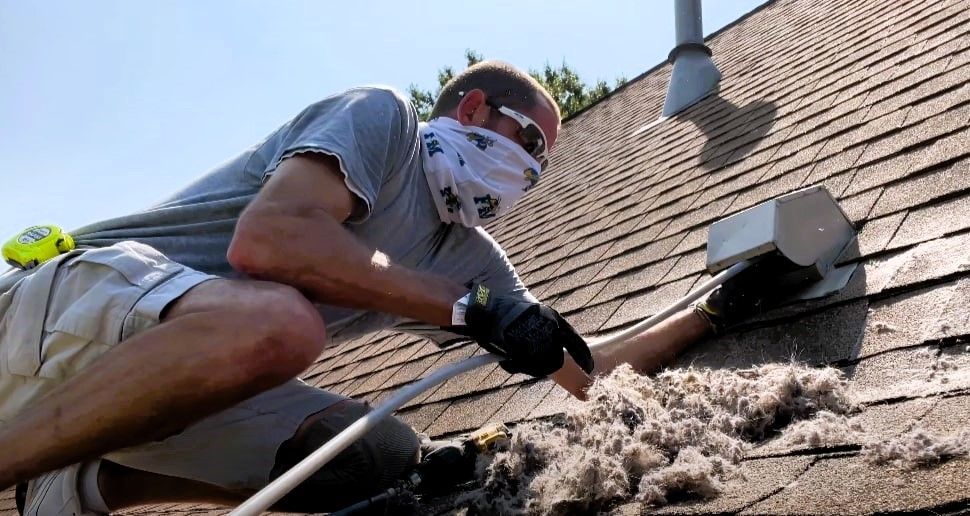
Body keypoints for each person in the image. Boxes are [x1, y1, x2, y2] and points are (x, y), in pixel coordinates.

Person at [0, 60, 773, 515]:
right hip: (73, 302)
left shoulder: (468, 257)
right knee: (285, 327)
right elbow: (270, 240)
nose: (532, 174)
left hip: (160, 377)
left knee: (375, 461)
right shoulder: (384, 123)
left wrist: (713, 311)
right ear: (473, 110)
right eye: (530, 142)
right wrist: (469, 309)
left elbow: (586, 368)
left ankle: (78, 474)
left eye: (543, 166)